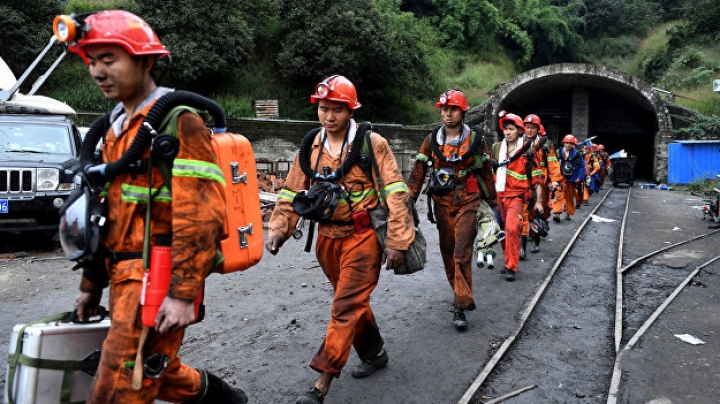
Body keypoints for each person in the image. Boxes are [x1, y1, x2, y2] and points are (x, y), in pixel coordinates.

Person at [66, 10, 247, 403]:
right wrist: (90, 286)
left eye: (109, 59)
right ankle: (222, 398)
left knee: (117, 389)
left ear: (145, 60)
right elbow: (108, 218)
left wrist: (183, 292)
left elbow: (201, 217)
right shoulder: (115, 127)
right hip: (123, 275)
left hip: (157, 277)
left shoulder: (178, 122)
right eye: (92, 60)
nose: (98, 71)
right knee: (147, 371)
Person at [265, 75, 415, 404]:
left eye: (336, 110)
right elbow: (292, 191)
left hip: (362, 238)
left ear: (350, 110)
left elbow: (395, 192)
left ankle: (321, 383)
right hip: (326, 239)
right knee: (352, 302)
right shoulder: (311, 146)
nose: (329, 116)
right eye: (323, 109)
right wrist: (278, 229)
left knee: (345, 305)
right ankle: (374, 352)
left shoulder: (371, 143)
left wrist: (398, 239)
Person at [406, 89, 497, 330]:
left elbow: (486, 173)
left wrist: (495, 204)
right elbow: (418, 173)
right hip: (442, 201)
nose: (447, 113)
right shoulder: (431, 140)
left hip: (468, 199)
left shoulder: (476, 140)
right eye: (444, 109)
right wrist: (408, 203)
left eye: (453, 109)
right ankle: (459, 291)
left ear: (462, 112)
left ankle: (461, 305)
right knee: (447, 251)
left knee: (461, 251)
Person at [489, 112, 544, 281]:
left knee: (512, 228)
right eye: (505, 129)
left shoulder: (528, 151)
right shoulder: (497, 149)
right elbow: (490, 173)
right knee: (500, 231)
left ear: (519, 131)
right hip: (498, 197)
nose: (507, 132)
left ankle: (511, 266)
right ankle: (508, 260)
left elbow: (537, 179)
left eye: (511, 129)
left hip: (517, 197)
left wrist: (539, 201)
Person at [521, 114, 562, 254]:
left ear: (537, 129)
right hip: (523, 182)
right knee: (523, 212)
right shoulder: (519, 142)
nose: (529, 130)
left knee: (539, 212)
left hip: (541, 183)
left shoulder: (545, 145)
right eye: (527, 127)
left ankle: (536, 240)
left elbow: (553, 163)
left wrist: (555, 181)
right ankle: (523, 244)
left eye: (532, 128)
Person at [552, 134, 586, 221]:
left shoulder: (577, 154)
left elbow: (582, 166)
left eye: (570, 143)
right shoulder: (559, 152)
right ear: (564, 143)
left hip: (572, 178)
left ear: (573, 144)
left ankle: (568, 212)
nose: (568, 145)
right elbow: (554, 164)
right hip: (561, 177)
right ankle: (557, 213)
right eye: (566, 143)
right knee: (559, 194)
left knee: (569, 197)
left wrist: (579, 177)